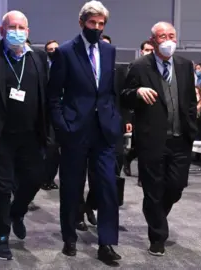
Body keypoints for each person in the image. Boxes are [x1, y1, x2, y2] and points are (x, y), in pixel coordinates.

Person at [48, 1, 121, 266]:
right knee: (71, 186)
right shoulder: (66, 52)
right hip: (74, 130)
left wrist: (115, 118)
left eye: (101, 24)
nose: (98, 28)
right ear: (82, 23)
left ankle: (107, 243)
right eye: (93, 23)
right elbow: (54, 95)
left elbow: (111, 91)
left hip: (104, 131)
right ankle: (69, 237)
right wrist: (62, 127)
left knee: (108, 187)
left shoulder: (109, 50)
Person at [0, 10, 48, 260]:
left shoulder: (37, 56)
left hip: (31, 135)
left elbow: (45, 96)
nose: (17, 31)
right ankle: (1, 237)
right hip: (0, 136)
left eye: (22, 28)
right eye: (12, 27)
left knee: (35, 179)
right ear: (2, 30)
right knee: (1, 189)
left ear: (28, 32)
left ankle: (17, 211)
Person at [122, 21, 197, 256]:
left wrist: (191, 128)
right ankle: (157, 236)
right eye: (162, 37)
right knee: (153, 189)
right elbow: (123, 97)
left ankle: (155, 215)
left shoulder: (185, 66)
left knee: (176, 187)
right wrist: (136, 93)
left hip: (180, 138)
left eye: (171, 36)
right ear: (153, 41)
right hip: (152, 139)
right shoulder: (139, 66)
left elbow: (190, 101)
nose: (167, 41)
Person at [123, 40, 153, 178]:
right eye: (147, 50)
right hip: (138, 112)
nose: (149, 53)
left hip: (154, 113)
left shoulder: (157, 68)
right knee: (141, 146)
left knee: (149, 147)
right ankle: (130, 160)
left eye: (152, 50)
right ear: (141, 51)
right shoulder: (134, 67)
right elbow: (126, 92)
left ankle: (144, 175)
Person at [41, 39, 60, 191]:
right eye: (50, 49)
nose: (53, 51)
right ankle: (44, 177)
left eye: (56, 48)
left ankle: (50, 178)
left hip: (65, 112)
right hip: (46, 113)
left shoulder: (66, 67)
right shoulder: (43, 69)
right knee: (51, 147)